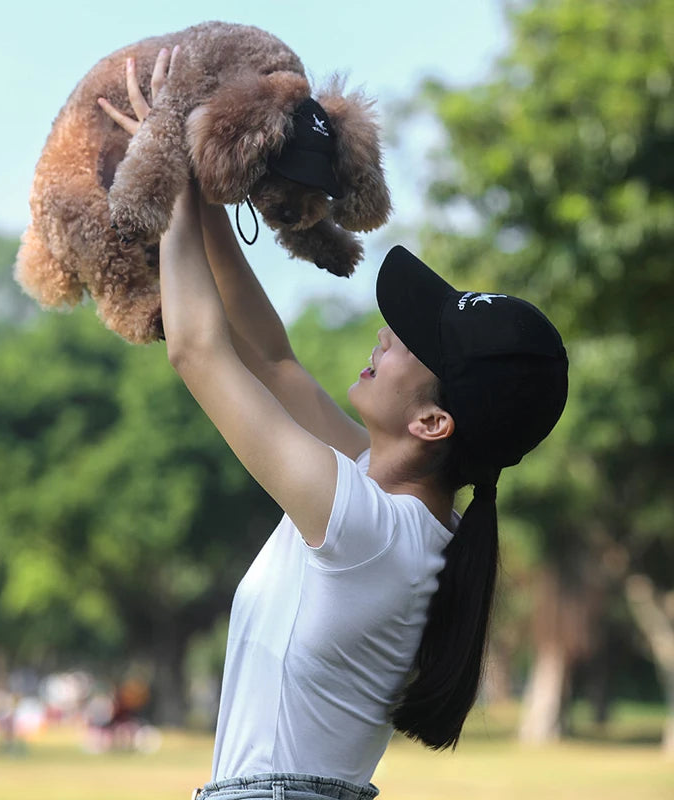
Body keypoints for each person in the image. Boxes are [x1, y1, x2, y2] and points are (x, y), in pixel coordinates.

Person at [99, 49, 568, 800]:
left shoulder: (368, 530)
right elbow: (274, 361)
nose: (387, 335)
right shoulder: (390, 509)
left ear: (434, 421)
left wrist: (162, 171)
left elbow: (197, 351)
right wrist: (199, 176)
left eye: (412, 343)